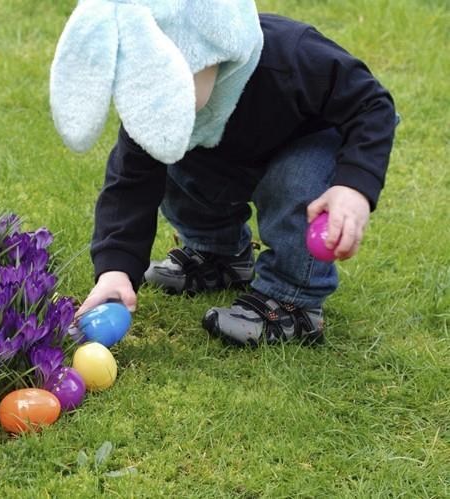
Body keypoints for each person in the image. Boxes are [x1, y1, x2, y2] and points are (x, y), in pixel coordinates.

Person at [49, 0, 396, 346]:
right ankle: (219, 255)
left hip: (308, 139)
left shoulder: (292, 55)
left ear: (214, 50)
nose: (156, 100)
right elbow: (129, 187)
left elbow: (372, 105)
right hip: (234, 150)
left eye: (171, 80)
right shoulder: (154, 111)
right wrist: (115, 272)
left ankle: (293, 301)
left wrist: (354, 187)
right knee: (171, 159)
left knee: (294, 181)